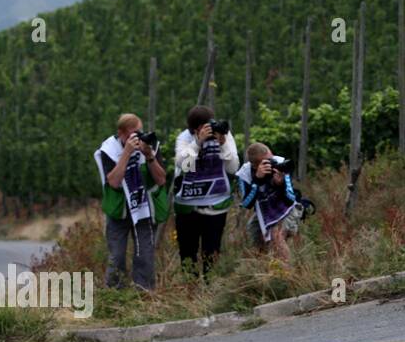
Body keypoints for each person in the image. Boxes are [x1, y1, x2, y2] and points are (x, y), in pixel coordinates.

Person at [94, 113, 167, 290]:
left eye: (139, 132)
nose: (137, 137)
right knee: (116, 256)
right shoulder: (108, 149)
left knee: (145, 255)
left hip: (144, 207)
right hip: (119, 210)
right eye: (133, 134)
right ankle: (114, 295)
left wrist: (149, 155)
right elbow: (113, 181)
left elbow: (161, 179)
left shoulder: (151, 146)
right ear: (121, 133)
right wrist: (126, 153)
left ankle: (144, 294)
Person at [172, 105, 240, 278]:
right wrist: (197, 143)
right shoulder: (184, 138)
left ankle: (210, 290)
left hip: (215, 204)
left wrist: (223, 144)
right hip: (188, 206)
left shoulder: (223, 135)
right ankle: (191, 290)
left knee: (212, 251)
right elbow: (184, 165)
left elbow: (233, 168)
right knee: (188, 252)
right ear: (195, 129)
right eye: (204, 127)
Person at [237, 142, 295, 262]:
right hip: (263, 212)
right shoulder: (245, 173)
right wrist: (257, 181)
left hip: (287, 209)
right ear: (255, 165)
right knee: (254, 234)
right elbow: (247, 204)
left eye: (272, 158)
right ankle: (263, 269)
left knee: (277, 236)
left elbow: (290, 200)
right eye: (268, 161)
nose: (272, 162)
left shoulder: (280, 164)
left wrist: (280, 184)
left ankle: (288, 274)